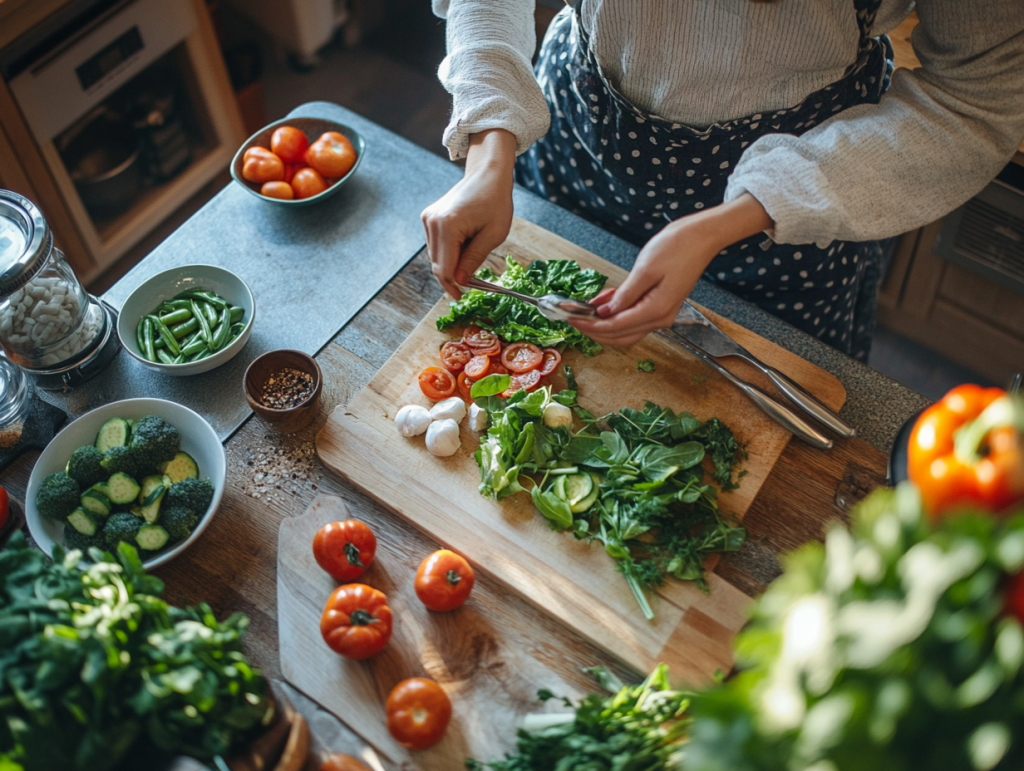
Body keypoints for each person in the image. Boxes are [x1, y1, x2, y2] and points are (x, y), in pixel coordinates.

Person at [421, 0, 1024, 361]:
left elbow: (976, 97)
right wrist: (490, 149)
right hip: (580, 144)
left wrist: (733, 220)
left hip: (791, 214)